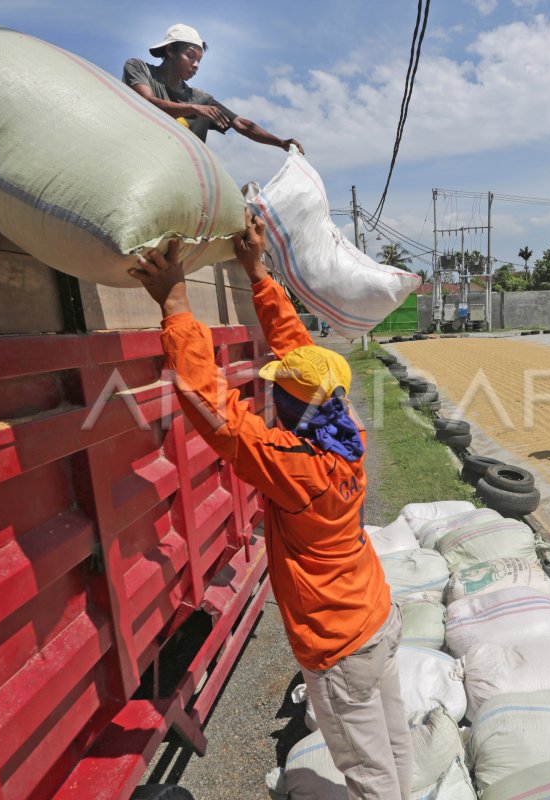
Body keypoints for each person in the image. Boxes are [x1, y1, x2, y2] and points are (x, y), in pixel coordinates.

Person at [128, 212, 410, 800]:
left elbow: (217, 414)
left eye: (277, 390)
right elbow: (302, 353)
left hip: (340, 646)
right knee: (395, 748)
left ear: (287, 407)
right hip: (376, 617)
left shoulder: (296, 467)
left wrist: (177, 304)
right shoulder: (344, 428)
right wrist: (257, 272)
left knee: (370, 780)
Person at [124, 23, 303, 151]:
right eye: (190, 56)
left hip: (182, 174)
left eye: (199, 60)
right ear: (170, 51)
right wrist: (193, 109)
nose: (196, 65)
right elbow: (146, 103)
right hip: (141, 157)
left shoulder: (202, 99)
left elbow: (242, 125)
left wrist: (281, 143)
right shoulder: (140, 69)